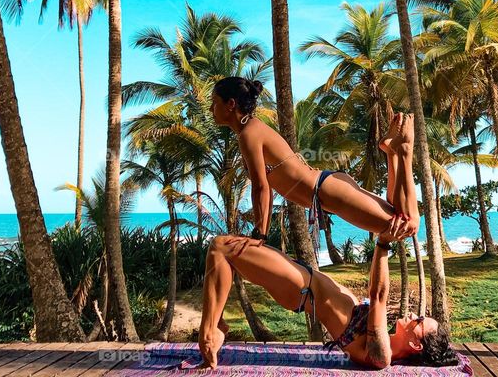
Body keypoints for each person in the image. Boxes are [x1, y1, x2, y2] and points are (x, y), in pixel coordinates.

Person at [192, 233, 462, 370]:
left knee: (221, 247)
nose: (414, 314)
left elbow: (378, 295)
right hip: (304, 277)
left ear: (416, 343)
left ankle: (209, 332)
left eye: (418, 320)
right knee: (228, 255)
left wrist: (383, 242)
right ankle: (217, 324)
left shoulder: (381, 354)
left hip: (299, 286)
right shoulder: (382, 339)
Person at [210, 76, 420, 246]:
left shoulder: (249, 133)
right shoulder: (250, 131)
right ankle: (391, 152)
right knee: (397, 213)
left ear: (230, 104)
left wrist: (260, 236)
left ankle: (402, 151)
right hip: (327, 188)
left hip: (327, 191)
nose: (211, 109)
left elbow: (260, 187)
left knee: (408, 225)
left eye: (214, 103)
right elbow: (264, 186)